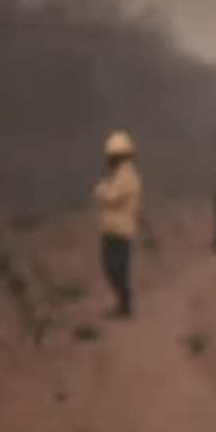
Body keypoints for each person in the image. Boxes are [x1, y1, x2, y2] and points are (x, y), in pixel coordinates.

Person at [93, 130, 142, 319]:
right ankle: (123, 304)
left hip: (119, 231)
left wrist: (100, 189)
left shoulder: (126, 176)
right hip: (114, 229)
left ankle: (124, 305)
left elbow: (110, 196)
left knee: (115, 268)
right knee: (115, 268)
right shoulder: (122, 175)